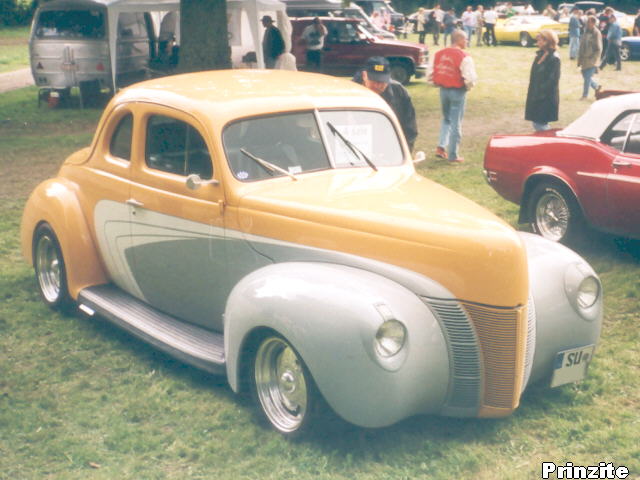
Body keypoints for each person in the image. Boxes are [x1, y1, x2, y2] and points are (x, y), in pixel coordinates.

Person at [429, 29, 477, 163]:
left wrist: (435, 83)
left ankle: (441, 146)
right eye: (466, 39)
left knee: (446, 119)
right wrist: (468, 87)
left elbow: (431, 72)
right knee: (456, 122)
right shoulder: (464, 56)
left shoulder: (439, 54)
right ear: (460, 40)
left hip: (443, 90)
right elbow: (470, 77)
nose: (467, 41)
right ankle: (453, 155)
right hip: (457, 90)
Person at [353, 57, 418, 151]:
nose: (378, 86)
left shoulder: (399, 92)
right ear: (364, 75)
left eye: (382, 81)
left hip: (390, 150)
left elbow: (409, 128)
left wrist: (405, 153)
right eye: (374, 81)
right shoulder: (351, 94)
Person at [525, 30, 561, 131]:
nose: (537, 43)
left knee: (540, 124)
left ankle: (553, 142)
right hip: (536, 96)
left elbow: (552, 81)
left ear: (547, 41)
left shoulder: (554, 58)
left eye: (539, 40)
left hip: (545, 98)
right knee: (537, 123)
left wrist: (540, 95)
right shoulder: (540, 55)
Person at [577, 15, 602, 99]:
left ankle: (585, 95)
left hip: (591, 59)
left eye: (589, 22)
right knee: (585, 76)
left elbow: (598, 49)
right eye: (587, 22)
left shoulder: (596, 33)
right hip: (584, 59)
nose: (587, 23)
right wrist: (579, 60)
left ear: (594, 23)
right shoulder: (585, 31)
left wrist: (594, 59)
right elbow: (581, 45)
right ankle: (596, 86)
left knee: (587, 77)